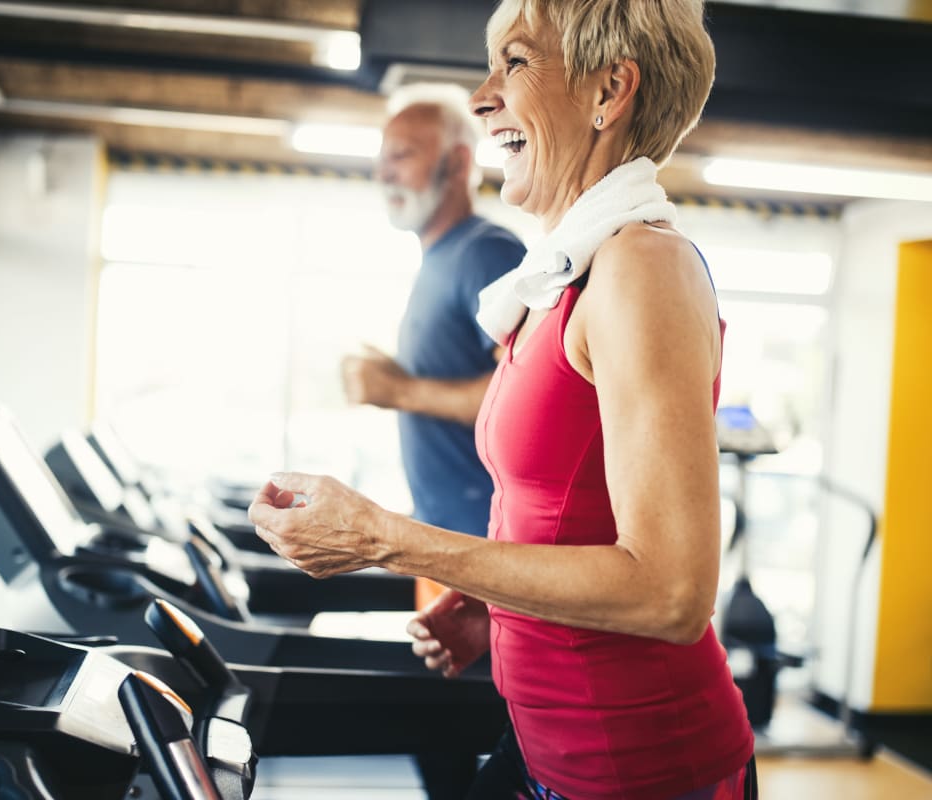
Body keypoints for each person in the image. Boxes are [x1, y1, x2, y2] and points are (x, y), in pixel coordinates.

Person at [249, 1, 757, 798]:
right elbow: (570, 511)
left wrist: (386, 539)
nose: (484, 97)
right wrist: (496, 607)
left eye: (515, 63)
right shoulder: (563, 280)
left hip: (643, 769)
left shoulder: (640, 268)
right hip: (545, 749)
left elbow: (671, 592)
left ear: (608, 91)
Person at [343, 84, 525, 549]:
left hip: (483, 547)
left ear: (460, 163)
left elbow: (529, 397)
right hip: (442, 536)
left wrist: (400, 390)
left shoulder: (486, 253)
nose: (384, 173)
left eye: (402, 154)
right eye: (382, 158)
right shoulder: (441, 258)